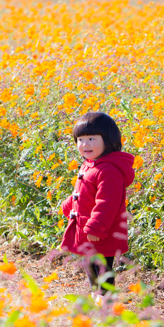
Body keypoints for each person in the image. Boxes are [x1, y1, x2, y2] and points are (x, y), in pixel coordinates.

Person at [60, 112, 135, 297]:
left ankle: (105, 300)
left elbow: (107, 202)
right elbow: (83, 193)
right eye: (80, 139)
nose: (85, 144)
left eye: (91, 138)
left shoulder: (108, 170)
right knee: (90, 264)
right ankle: (97, 296)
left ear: (108, 140)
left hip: (101, 231)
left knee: (102, 267)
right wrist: (69, 205)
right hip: (87, 229)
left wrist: (96, 227)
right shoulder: (90, 165)